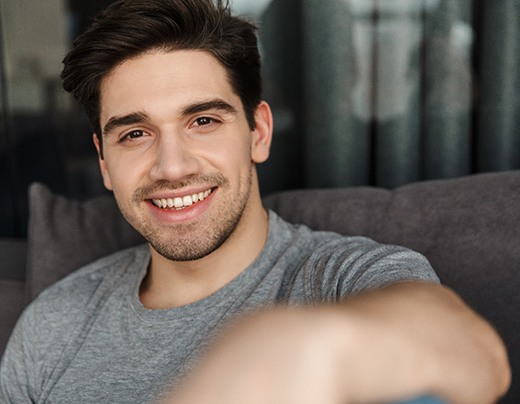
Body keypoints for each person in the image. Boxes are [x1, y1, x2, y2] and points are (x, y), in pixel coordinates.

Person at [0, 0, 510, 403]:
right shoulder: (53, 325)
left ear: (258, 132)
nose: (172, 167)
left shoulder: (344, 278)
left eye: (203, 121)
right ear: (105, 162)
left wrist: (303, 348)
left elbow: (476, 359)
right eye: (135, 133)